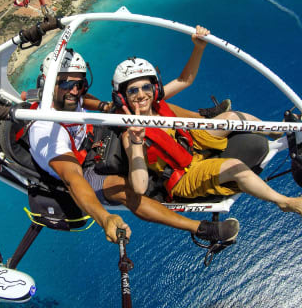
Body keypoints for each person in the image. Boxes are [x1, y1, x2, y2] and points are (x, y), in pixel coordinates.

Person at [27, 48, 240, 244]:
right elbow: (72, 179)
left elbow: (83, 97)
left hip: (95, 139)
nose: (74, 90)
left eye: (80, 84)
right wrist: (105, 218)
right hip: (84, 168)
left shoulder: (70, 96)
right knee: (124, 190)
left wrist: (104, 106)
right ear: (48, 84)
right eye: (66, 84)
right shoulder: (45, 130)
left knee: (151, 105)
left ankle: (201, 119)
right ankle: (202, 229)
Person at [114, 26, 302, 215]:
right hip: (184, 174)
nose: (141, 95)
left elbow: (185, 80)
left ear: (154, 89)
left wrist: (198, 48)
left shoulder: (157, 103)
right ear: (122, 97)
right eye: (133, 91)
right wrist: (138, 141)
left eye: (146, 88)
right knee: (235, 167)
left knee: (232, 117)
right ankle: (283, 201)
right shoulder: (131, 134)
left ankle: (277, 132)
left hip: (192, 144)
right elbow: (139, 187)